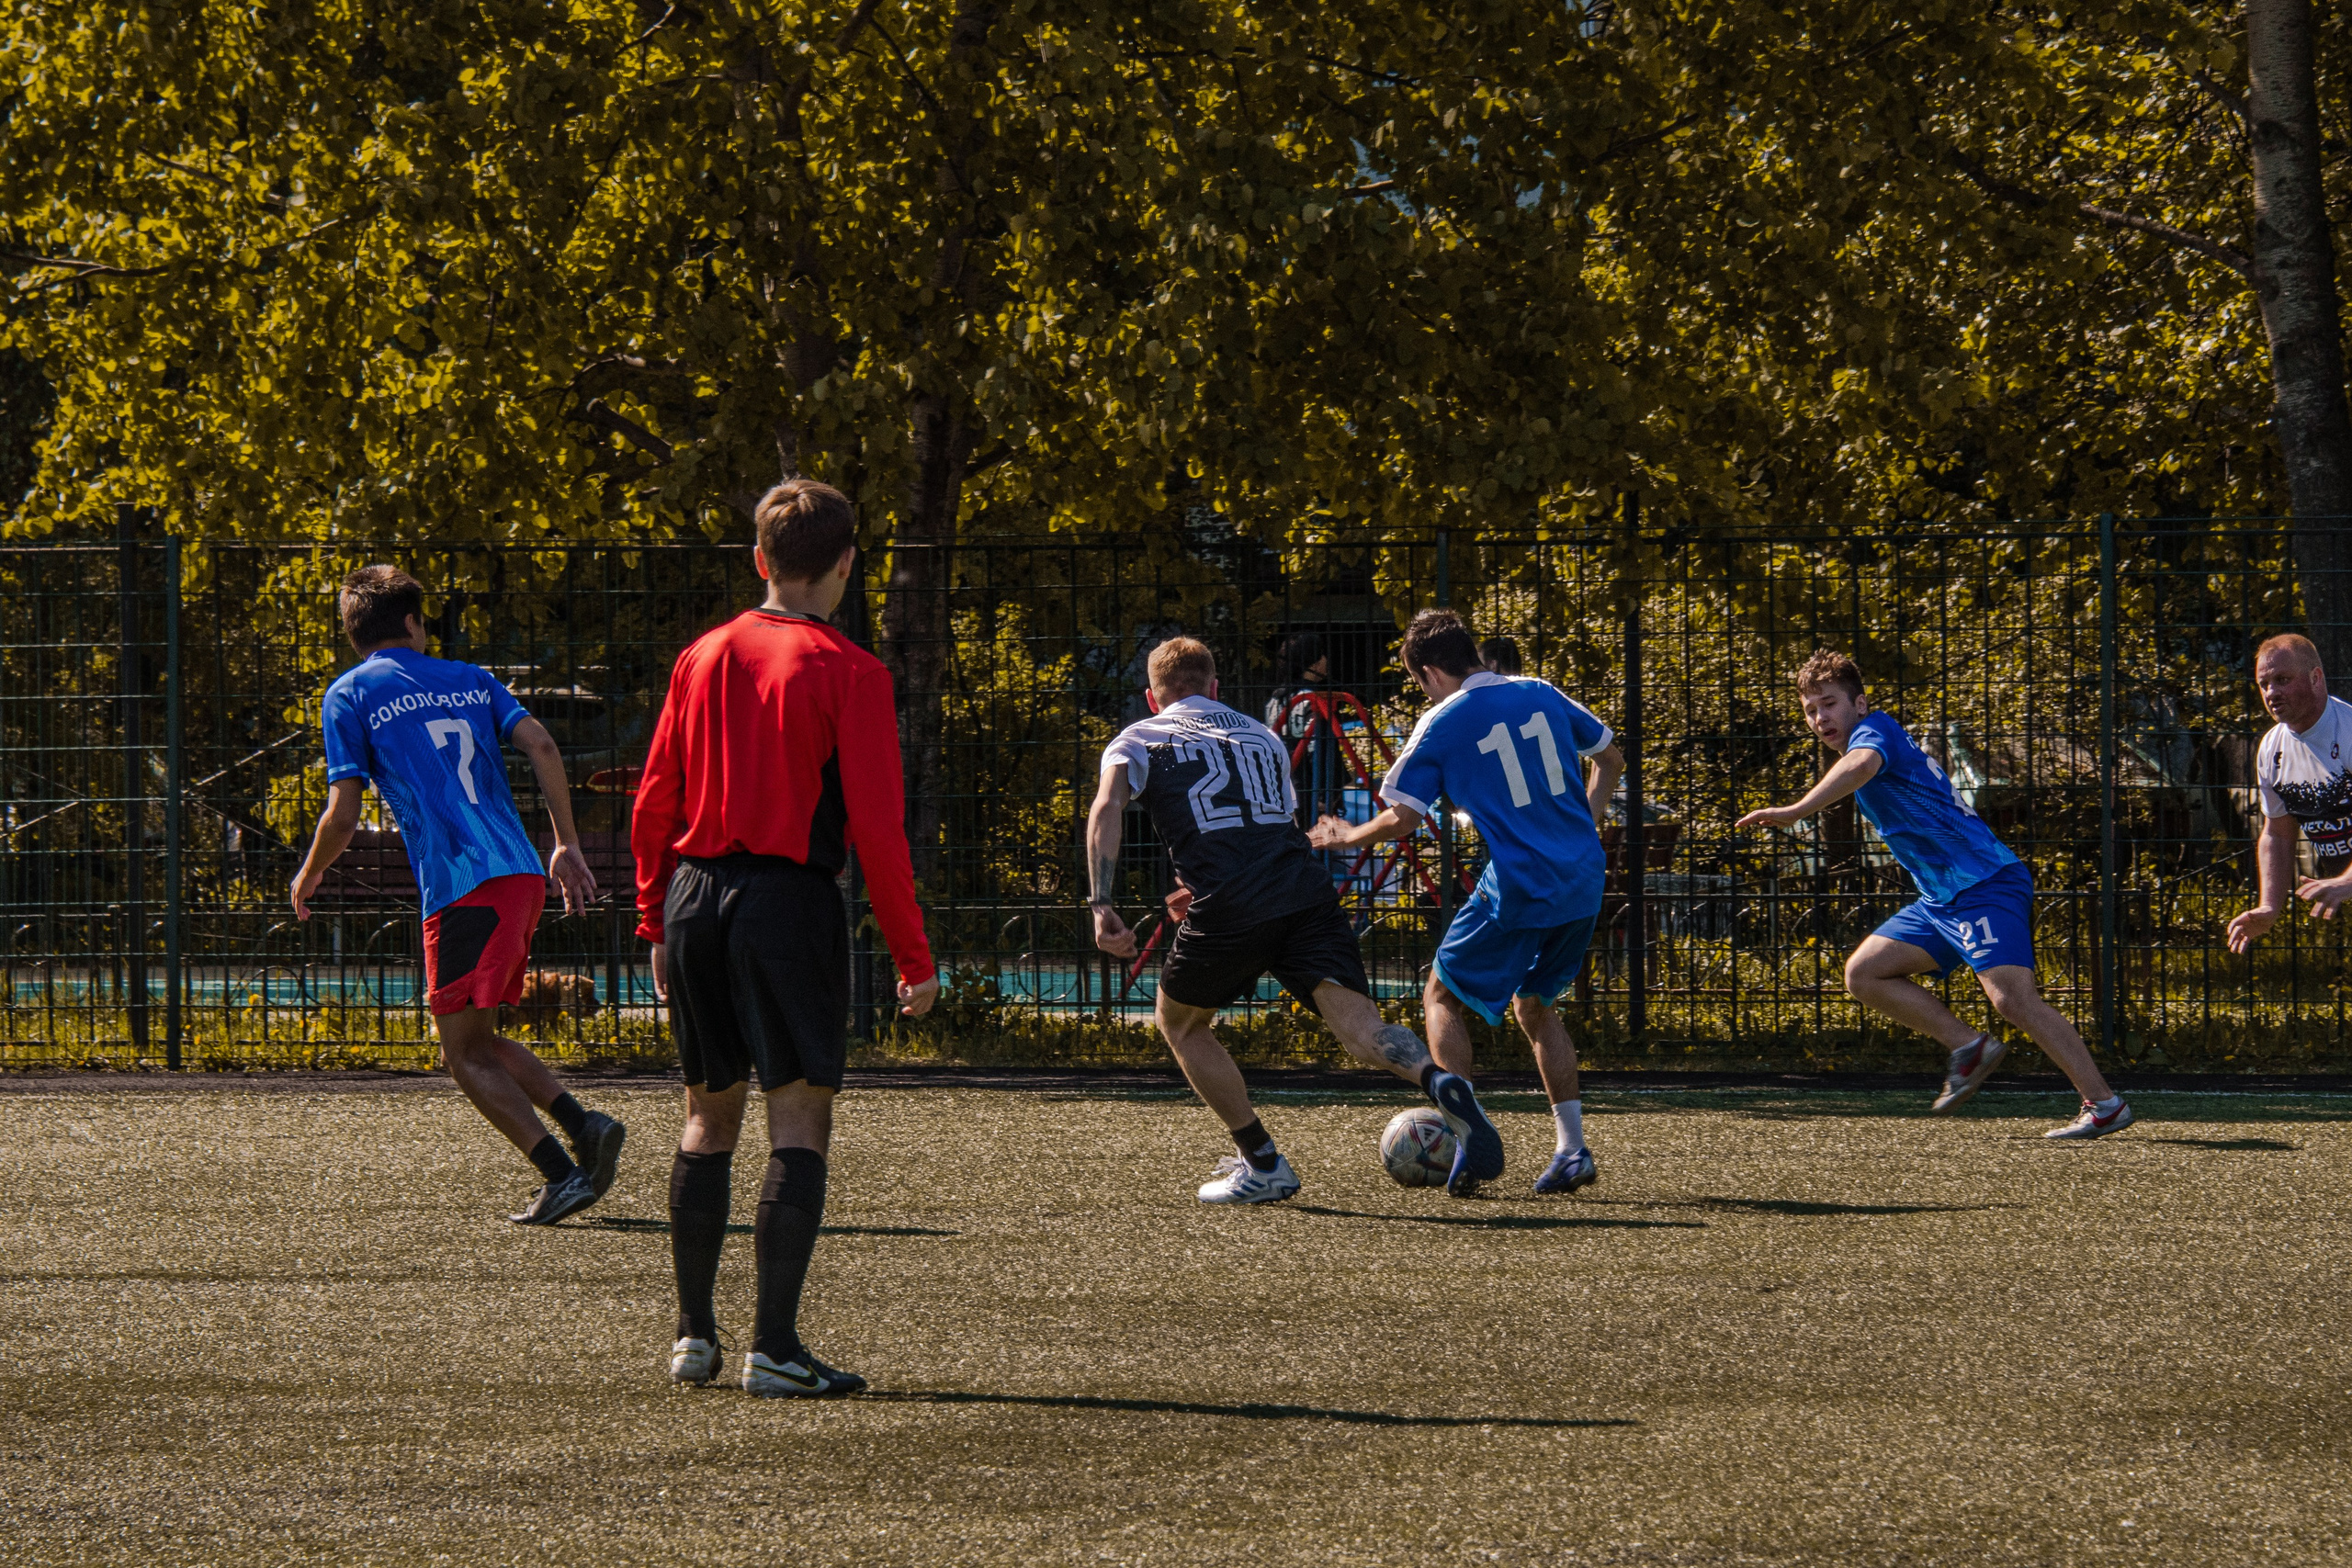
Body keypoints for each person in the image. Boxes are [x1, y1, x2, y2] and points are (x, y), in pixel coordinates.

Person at [632, 478, 940, 1399]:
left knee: (704, 1117)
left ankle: (693, 1338)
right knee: (797, 1119)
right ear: (847, 564)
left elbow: (654, 800)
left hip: (693, 897)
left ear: (759, 561)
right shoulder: (850, 670)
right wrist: (914, 959)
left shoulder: (702, 654)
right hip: (787, 905)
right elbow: (879, 832)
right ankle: (775, 1348)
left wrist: (653, 919)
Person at [1086, 636, 1509, 1201]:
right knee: (1364, 1033)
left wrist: (1101, 903)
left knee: (1181, 1024)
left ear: (1153, 697)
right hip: (1304, 892)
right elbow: (1267, 826)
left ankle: (1263, 1164)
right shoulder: (1261, 736)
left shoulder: (1141, 736)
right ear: (1216, 689)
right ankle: (1442, 1081)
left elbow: (1107, 806)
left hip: (1233, 903)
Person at [291, 567, 623, 1224]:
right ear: (415, 623)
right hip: (522, 872)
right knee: (474, 1036)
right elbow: (542, 744)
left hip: (462, 884)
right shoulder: (473, 677)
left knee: (460, 1052)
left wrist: (308, 873)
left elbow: (343, 812)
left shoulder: (349, 694)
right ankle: (583, 1125)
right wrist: (566, 844)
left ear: (353, 633)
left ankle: (562, 1173)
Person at [1734, 649, 2132, 1140]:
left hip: (1985, 884)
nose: (1820, 718)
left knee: (2013, 999)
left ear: (1859, 704)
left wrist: (1798, 809)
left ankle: (2105, 1103)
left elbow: (1860, 766)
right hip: (1941, 900)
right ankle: (1969, 1045)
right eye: (1811, 710)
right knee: (1865, 973)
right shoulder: (1867, 737)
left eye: (1830, 703)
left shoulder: (1874, 732)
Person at [1308, 610, 1622, 1195]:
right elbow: (1611, 759)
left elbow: (1403, 817)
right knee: (1534, 1006)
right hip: (1583, 877)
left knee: (1441, 994)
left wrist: (1345, 835)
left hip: (1522, 880)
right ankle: (1573, 1150)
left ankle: (1460, 1137)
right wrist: (1584, 825)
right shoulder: (1542, 692)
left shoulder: (1441, 721)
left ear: (1429, 672)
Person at [2228, 633, 2352, 951]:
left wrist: (2347, 881)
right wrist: (2269, 907)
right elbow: (2278, 834)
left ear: (2316, 678)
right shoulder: (2271, 749)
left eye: (2282, 680)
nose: (2272, 693)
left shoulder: (2348, 732)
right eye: (2264, 684)